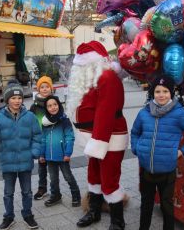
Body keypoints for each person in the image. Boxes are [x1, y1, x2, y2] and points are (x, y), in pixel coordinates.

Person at [66, 41, 128, 230]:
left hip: (108, 138)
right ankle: (94, 211)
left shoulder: (107, 77)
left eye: (81, 65)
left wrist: (97, 142)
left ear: (93, 62)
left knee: (109, 178)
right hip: (94, 139)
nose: (78, 68)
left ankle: (118, 221)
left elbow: (106, 113)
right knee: (94, 175)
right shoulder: (90, 78)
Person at [131, 75, 184, 230]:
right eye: (157, 91)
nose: (161, 95)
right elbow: (135, 131)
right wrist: (137, 148)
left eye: (165, 91)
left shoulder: (179, 113)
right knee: (146, 203)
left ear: (171, 93)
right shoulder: (144, 112)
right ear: (153, 93)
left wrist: (182, 151)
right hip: (146, 168)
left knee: (166, 205)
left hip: (167, 169)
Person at [0, 79, 41, 230]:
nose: (17, 101)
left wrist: (34, 152)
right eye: (13, 98)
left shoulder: (30, 117)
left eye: (19, 98)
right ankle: (9, 217)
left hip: (25, 162)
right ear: (7, 99)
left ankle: (28, 215)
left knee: (27, 192)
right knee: (8, 193)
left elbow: (38, 137)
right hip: (7, 163)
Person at [40, 95, 81, 207]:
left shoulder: (64, 120)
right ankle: (56, 195)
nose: (53, 107)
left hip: (63, 155)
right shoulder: (45, 122)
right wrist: (42, 154)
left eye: (55, 104)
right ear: (46, 108)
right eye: (49, 106)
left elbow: (70, 137)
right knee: (53, 179)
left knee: (68, 176)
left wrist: (68, 153)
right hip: (49, 156)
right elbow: (43, 139)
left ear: (59, 105)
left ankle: (76, 195)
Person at [30, 76, 53, 200]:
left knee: (55, 166)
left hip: (54, 139)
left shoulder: (55, 103)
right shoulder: (34, 106)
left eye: (47, 86)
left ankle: (55, 191)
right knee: (42, 165)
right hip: (40, 140)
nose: (44, 89)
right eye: (42, 87)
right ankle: (42, 188)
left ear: (51, 88)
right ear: (38, 89)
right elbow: (30, 123)